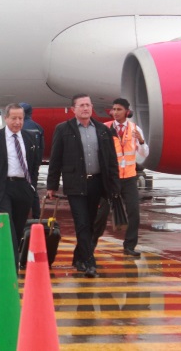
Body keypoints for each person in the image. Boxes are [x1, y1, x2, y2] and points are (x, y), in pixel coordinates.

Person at [46, 94, 120, 278]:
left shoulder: (102, 130)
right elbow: (55, 159)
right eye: (81, 105)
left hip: (97, 182)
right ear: (74, 109)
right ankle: (89, 262)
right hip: (75, 183)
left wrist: (114, 185)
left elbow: (111, 160)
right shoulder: (63, 129)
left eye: (88, 105)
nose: (85, 108)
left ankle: (78, 258)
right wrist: (52, 185)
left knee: (91, 223)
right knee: (81, 222)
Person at [0, 103, 41, 269]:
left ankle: (15, 257)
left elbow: (35, 164)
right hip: (2, 188)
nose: (17, 122)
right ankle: (12, 264)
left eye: (20, 118)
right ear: (6, 118)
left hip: (23, 187)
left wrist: (32, 186)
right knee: (8, 227)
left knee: (19, 227)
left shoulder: (29, 138)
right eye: (14, 118)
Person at [93, 98, 149, 257]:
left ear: (127, 112)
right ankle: (92, 242)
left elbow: (144, 154)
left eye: (119, 109)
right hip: (111, 179)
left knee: (134, 213)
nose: (115, 112)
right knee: (101, 213)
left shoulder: (134, 129)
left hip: (129, 178)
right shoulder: (105, 128)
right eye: (114, 109)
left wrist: (141, 140)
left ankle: (129, 245)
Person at [19, 102, 45, 219]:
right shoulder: (38, 128)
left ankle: (21, 216)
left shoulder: (20, 126)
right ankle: (36, 216)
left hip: (20, 165)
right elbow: (41, 148)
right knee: (33, 190)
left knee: (19, 190)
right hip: (34, 166)